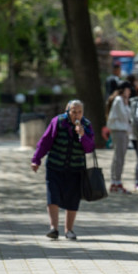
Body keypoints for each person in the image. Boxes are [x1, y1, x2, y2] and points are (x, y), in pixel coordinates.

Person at [31, 100, 95, 240]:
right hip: (55, 165)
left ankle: (69, 230)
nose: (76, 115)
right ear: (67, 111)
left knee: (73, 199)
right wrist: (36, 159)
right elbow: (45, 141)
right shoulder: (58, 121)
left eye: (79, 112)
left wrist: (83, 135)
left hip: (76, 168)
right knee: (53, 196)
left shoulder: (87, 125)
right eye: (73, 112)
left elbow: (89, 148)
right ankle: (53, 228)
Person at [106, 81, 133, 194]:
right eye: (128, 89)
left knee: (120, 156)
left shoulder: (122, 101)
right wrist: (126, 103)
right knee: (119, 157)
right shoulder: (119, 100)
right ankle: (115, 181)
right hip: (119, 131)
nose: (130, 92)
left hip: (123, 131)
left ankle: (116, 181)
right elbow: (124, 116)